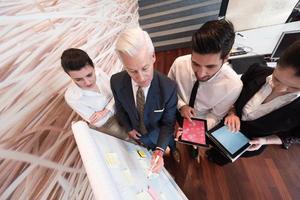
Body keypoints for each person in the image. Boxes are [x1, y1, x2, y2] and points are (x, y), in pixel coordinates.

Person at [209, 39, 300, 165]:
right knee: (212, 143)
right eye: (276, 79)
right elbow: (234, 94)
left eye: (293, 88)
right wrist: (232, 111)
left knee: (221, 157)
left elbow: (294, 135)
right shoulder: (257, 71)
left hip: (248, 142)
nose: (279, 89)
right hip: (223, 125)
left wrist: (265, 140)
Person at [168, 19, 243, 158]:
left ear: (225, 58)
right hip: (177, 110)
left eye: (210, 66)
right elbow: (169, 91)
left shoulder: (233, 85)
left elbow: (215, 115)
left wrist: (192, 131)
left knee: (192, 143)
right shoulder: (179, 64)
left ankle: (194, 146)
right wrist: (181, 105)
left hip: (202, 120)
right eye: (195, 63)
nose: (201, 74)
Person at [110, 27, 178, 173]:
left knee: (170, 148)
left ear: (153, 56)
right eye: (132, 71)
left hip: (158, 134)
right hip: (138, 135)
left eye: (145, 68)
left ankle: (174, 151)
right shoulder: (115, 82)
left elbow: (168, 123)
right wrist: (129, 128)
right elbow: (120, 109)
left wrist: (160, 150)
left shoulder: (169, 88)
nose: (141, 78)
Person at [61, 48, 128, 140]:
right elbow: (99, 122)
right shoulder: (71, 97)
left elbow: (118, 93)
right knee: (127, 140)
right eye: (79, 79)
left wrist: (105, 111)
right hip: (109, 122)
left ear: (93, 67)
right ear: (69, 76)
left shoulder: (99, 72)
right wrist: (113, 103)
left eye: (89, 75)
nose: (87, 82)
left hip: (122, 107)